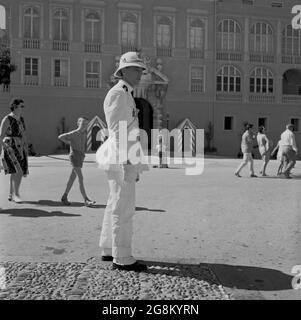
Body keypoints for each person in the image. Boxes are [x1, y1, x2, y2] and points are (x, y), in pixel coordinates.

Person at [96, 51, 149, 272]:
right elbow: (118, 132)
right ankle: (123, 256)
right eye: (136, 68)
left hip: (123, 156)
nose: (140, 72)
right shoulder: (118, 94)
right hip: (121, 158)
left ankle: (109, 249)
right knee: (123, 208)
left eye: (141, 69)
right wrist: (127, 162)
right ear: (124, 70)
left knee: (114, 204)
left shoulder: (125, 94)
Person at [58, 117, 95, 206]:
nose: (85, 125)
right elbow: (60, 137)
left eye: (86, 124)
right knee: (81, 178)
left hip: (80, 157)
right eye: (83, 123)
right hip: (74, 157)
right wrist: (69, 142)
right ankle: (86, 200)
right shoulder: (74, 133)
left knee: (72, 179)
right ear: (78, 123)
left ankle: (64, 197)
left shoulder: (84, 134)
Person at [0, 98, 28, 203]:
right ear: (15, 106)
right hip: (10, 147)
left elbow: (23, 134)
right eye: (21, 106)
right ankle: (16, 194)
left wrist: (26, 146)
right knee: (18, 171)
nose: (23, 108)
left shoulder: (21, 119)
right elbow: (0, 136)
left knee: (15, 171)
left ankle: (11, 194)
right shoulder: (7, 119)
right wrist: (6, 147)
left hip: (20, 147)